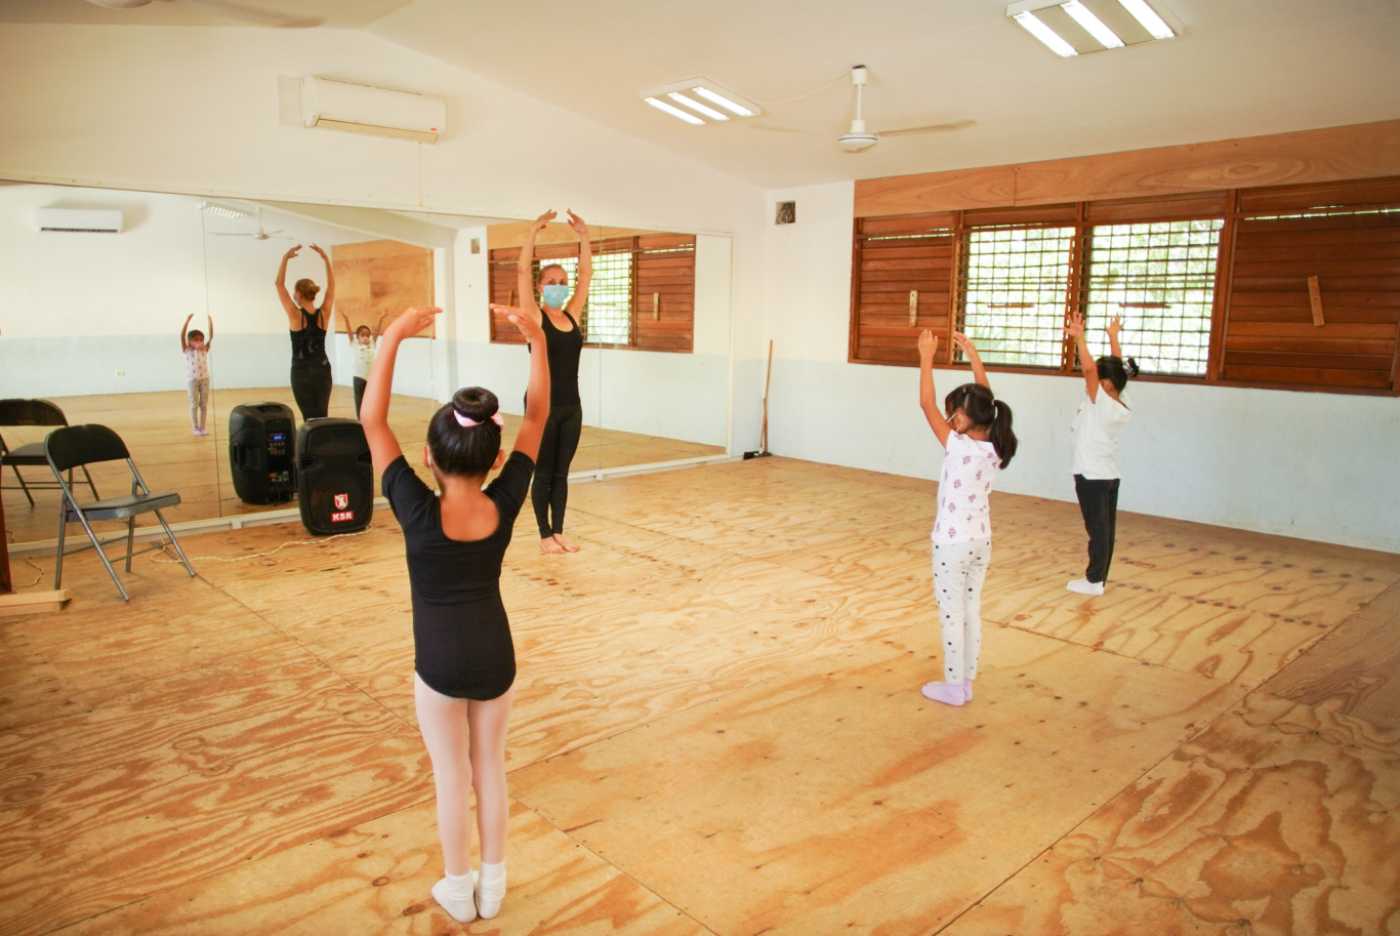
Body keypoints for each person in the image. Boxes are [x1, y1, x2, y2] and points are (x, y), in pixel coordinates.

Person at [361, 303, 548, 924]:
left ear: (426, 457)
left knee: (452, 776)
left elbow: (371, 418)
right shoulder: (506, 500)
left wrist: (392, 336)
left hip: (438, 664)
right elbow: (539, 416)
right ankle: (493, 891)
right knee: (489, 769)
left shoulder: (414, 507)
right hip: (497, 656)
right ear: (494, 460)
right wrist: (537, 342)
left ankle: (458, 891)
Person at [917, 330, 1017, 707]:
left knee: (951, 615)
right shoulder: (996, 442)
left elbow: (926, 403)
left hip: (952, 544)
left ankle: (954, 687)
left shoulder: (958, 445)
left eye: (951, 413)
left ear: (959, 418)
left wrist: (927, 356)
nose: (946, 417)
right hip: (981, 541)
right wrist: (973, 355)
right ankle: (967, 681)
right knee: (971, 611)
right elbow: (985, 399)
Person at [516, 208, 591, 554]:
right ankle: (544, 535)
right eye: (551, 282)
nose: (558, 287)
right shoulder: (534, 316)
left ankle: (559, 531)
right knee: (543, 472)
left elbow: (587, 275)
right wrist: (533, 231)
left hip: (570, 407)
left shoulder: (572, 315)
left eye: (563, 283)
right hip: (541, 406)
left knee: (562, 473)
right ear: (539, 287)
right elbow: (520, 270)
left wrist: (584, 237)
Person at [1065, 312, 1139, 597]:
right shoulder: (1119, 398)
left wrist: (1080, 339)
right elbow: (1115, 370)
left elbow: (1088, 371)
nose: (1090, 380)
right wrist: (1113, 337)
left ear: (1105, 383)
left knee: (1098, 531)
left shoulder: (1102, 403)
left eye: (1098, 377)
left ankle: (1094, 581)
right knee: (1105, 530)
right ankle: (1098, 578)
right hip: (1107, 475)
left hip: (1092, 475)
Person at [275, 243, 335, 421]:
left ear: (299, 294)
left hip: (301, 370)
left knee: (308, 417)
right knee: (322, 415)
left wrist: (285, 258)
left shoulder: (295, 315)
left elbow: (278, 284)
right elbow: (332, 286)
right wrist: (325, 259)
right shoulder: (323, 314)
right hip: (322, 368)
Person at [341, 309, 389, 419]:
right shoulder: (355, 344)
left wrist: (381, 318)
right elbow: (348, 331)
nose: (366, 337)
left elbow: (377, 330)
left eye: (368, 335)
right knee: (359, 400)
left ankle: (370, 418)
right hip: (358, 377)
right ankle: (360, 419)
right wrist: (346, 319)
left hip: (370, 377)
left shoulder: (372, 343)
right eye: (363, 335)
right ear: (358, 337)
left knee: (371, 399)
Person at [180, 314, 213, 436]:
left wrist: (210, 323)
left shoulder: (204, 350)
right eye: (195, 340)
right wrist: (187, 321)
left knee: (204, 404)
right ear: (190, 341)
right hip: (192, 380)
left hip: (205, 379)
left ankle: (203, 427)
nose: (198, 342)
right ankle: (195, 427)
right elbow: (182, 336)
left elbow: (212, 337)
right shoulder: (187, 350)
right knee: (194, 404)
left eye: (200, 340)